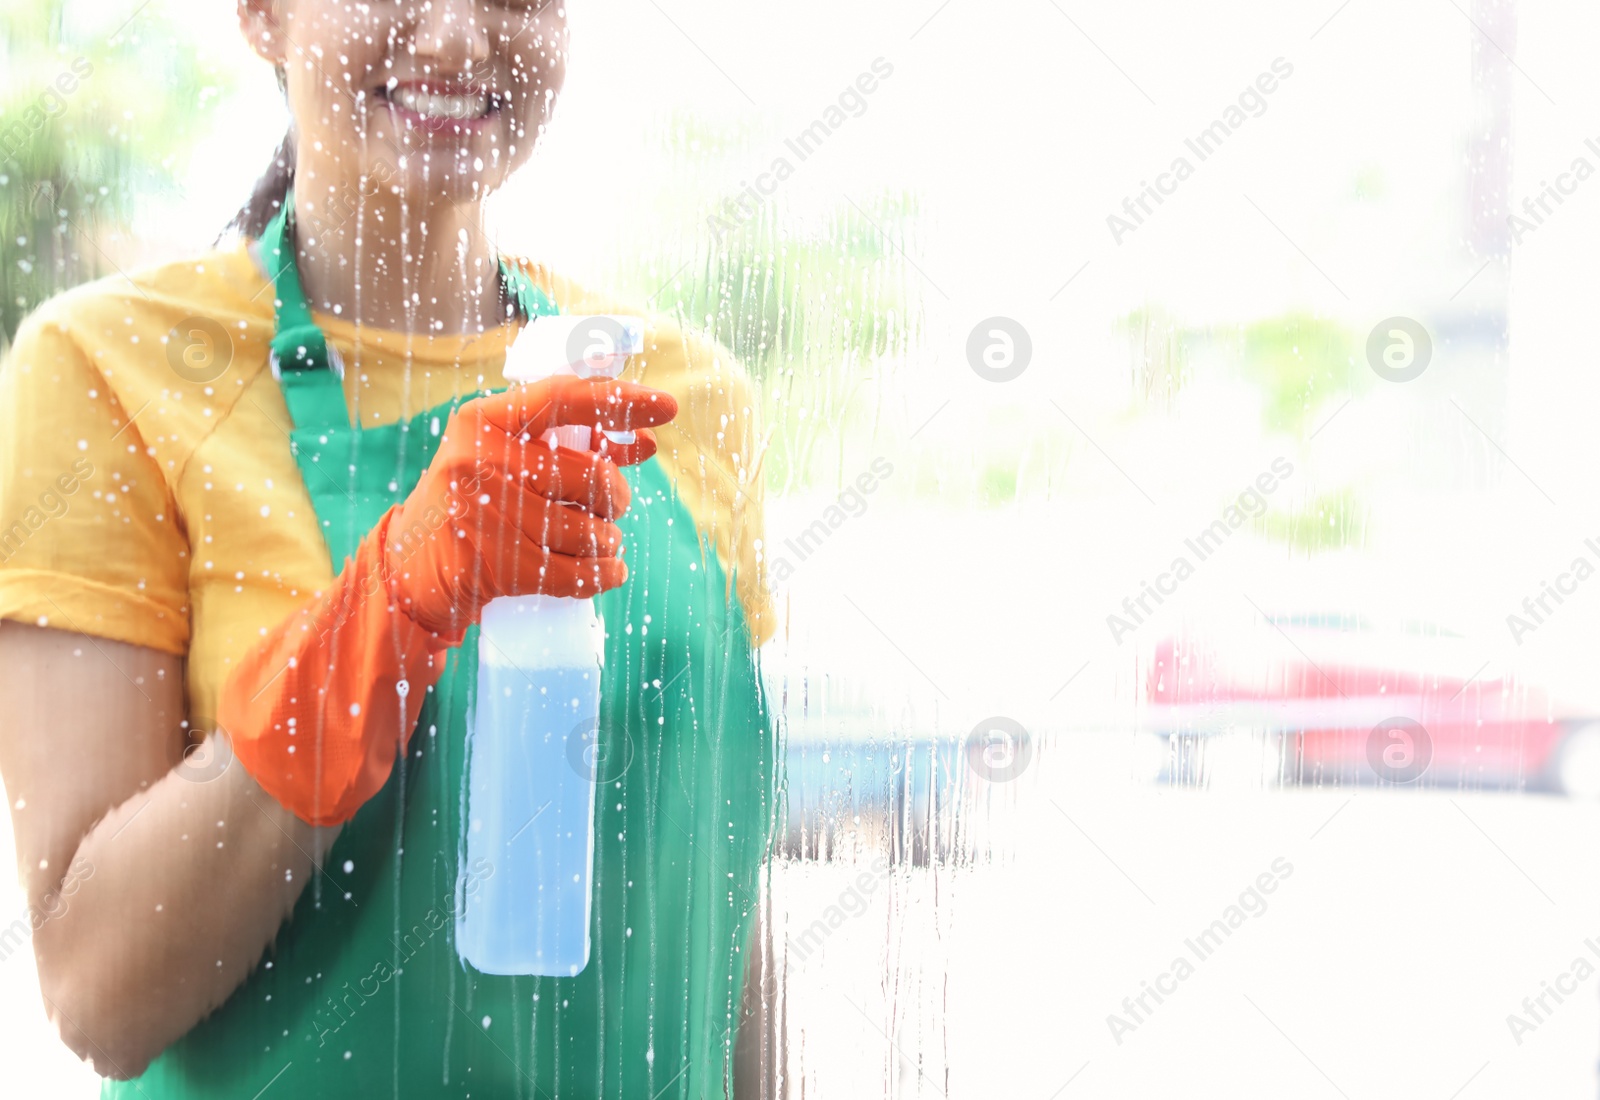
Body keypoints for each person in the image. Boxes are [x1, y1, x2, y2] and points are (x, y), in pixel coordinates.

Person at [0, 1, 777, 1096]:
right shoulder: (109, 368)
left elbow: (722, 926)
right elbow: (99, 991)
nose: (457, 38)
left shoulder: (682, 399)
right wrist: (393, 604)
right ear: (262, 14)